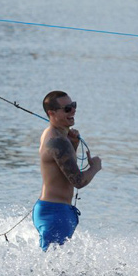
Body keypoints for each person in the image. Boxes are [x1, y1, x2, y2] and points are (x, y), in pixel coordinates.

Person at [33, 91, 102, 251]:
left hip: (53, 209)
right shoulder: (57, 141)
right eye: (67, 109)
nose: (73, 111)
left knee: (53, 264)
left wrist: (73, 144)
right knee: (51, 268)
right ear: (52, 113)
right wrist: (95, 168)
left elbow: (62, 168)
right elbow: (78, 181)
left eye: (74, 106)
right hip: (54, 212)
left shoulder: (53, 135)